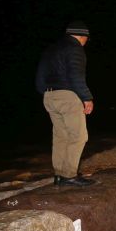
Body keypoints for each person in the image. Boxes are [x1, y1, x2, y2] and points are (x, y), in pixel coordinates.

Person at [35, 20, 95, 186]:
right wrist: (86, 97)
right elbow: (76, 76)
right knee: (79, 136)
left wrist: (47, 92)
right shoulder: (75, 49)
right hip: (68, 96)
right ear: (82, 36)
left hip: (49, 96)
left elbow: (39, 77)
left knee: (61, 135)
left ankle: (59, 174)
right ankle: (69, 175)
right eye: (86, 39)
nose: (85, 43)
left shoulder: (51, 49)